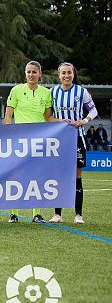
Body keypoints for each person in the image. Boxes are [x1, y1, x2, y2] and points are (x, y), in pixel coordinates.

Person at [4, 61, 53, 223]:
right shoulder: (17, 90)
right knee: (16, 177)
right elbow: (8, 116)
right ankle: (14, 213)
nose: (31, 74)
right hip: (19, 141)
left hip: (39, 142)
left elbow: (48, 117)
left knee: (37, 177)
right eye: (28, 72)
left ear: (40, 74)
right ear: (25, 74)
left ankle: (36, 214)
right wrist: (9, 135)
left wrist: (63, 123)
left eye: (34, 72)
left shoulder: (46, 93)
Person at [49, 62, 97, 225]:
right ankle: (57, 214)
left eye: (69, 73)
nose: (66, 76)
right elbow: (47, 116)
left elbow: (93, 110)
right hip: (59, 140)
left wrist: (84, 120)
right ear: (59, 74)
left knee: (77, 177)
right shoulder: (53, 92)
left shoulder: (81, 92)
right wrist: (60, 121)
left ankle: (78, 214)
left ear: (73, 74)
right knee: (59, 176)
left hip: (77, 138)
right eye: (63, 73)